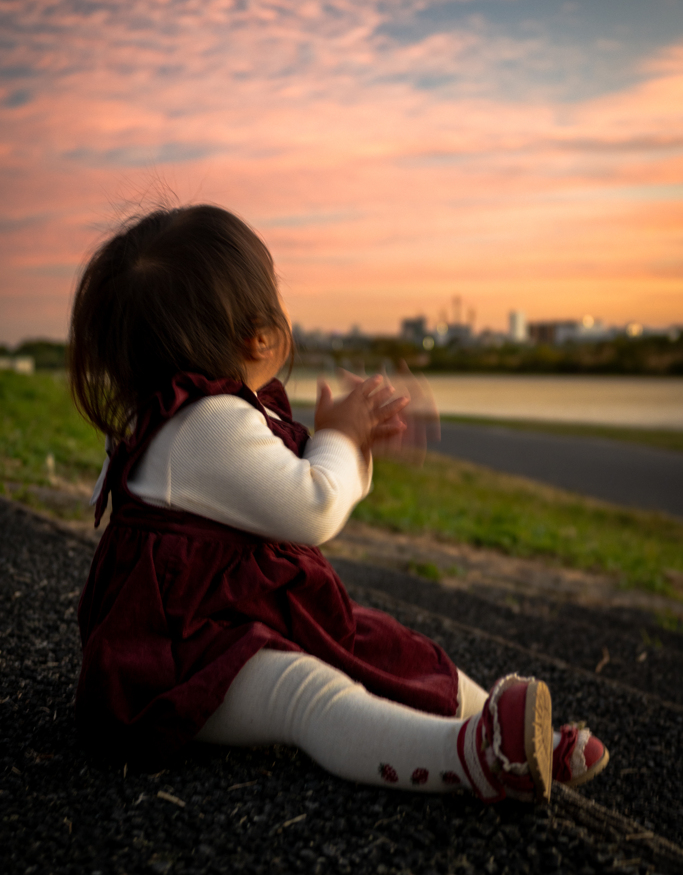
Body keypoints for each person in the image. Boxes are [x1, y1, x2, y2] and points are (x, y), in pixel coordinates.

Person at [71, 204, 608, 803]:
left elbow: (270, 480)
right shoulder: (204, 423)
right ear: (260, 334)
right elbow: (315, 506)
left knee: (383, 644)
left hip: (226, 616)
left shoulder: (174, 412)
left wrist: (344, 441)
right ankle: (467, 756)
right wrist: (341, 440)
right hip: (175, 658)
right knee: (308, 692)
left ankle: (510, 730)